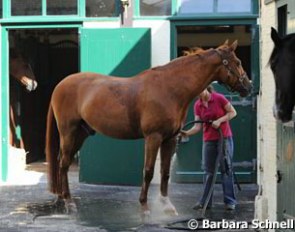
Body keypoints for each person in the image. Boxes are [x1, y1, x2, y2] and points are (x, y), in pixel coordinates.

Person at [181, 85, 237, 210]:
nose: (200, 95)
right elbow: (197, 127)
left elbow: (233, 112)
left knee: (226, 169)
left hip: (224, 139)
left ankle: (230, 201)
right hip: (208, 140)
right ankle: (205, 202)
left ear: (206, 88)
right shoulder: (197, 105)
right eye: (197, 93)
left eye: (201, 91)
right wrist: (185, 133)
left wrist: (220, 120)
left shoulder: (219, 98)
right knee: (208, 172)